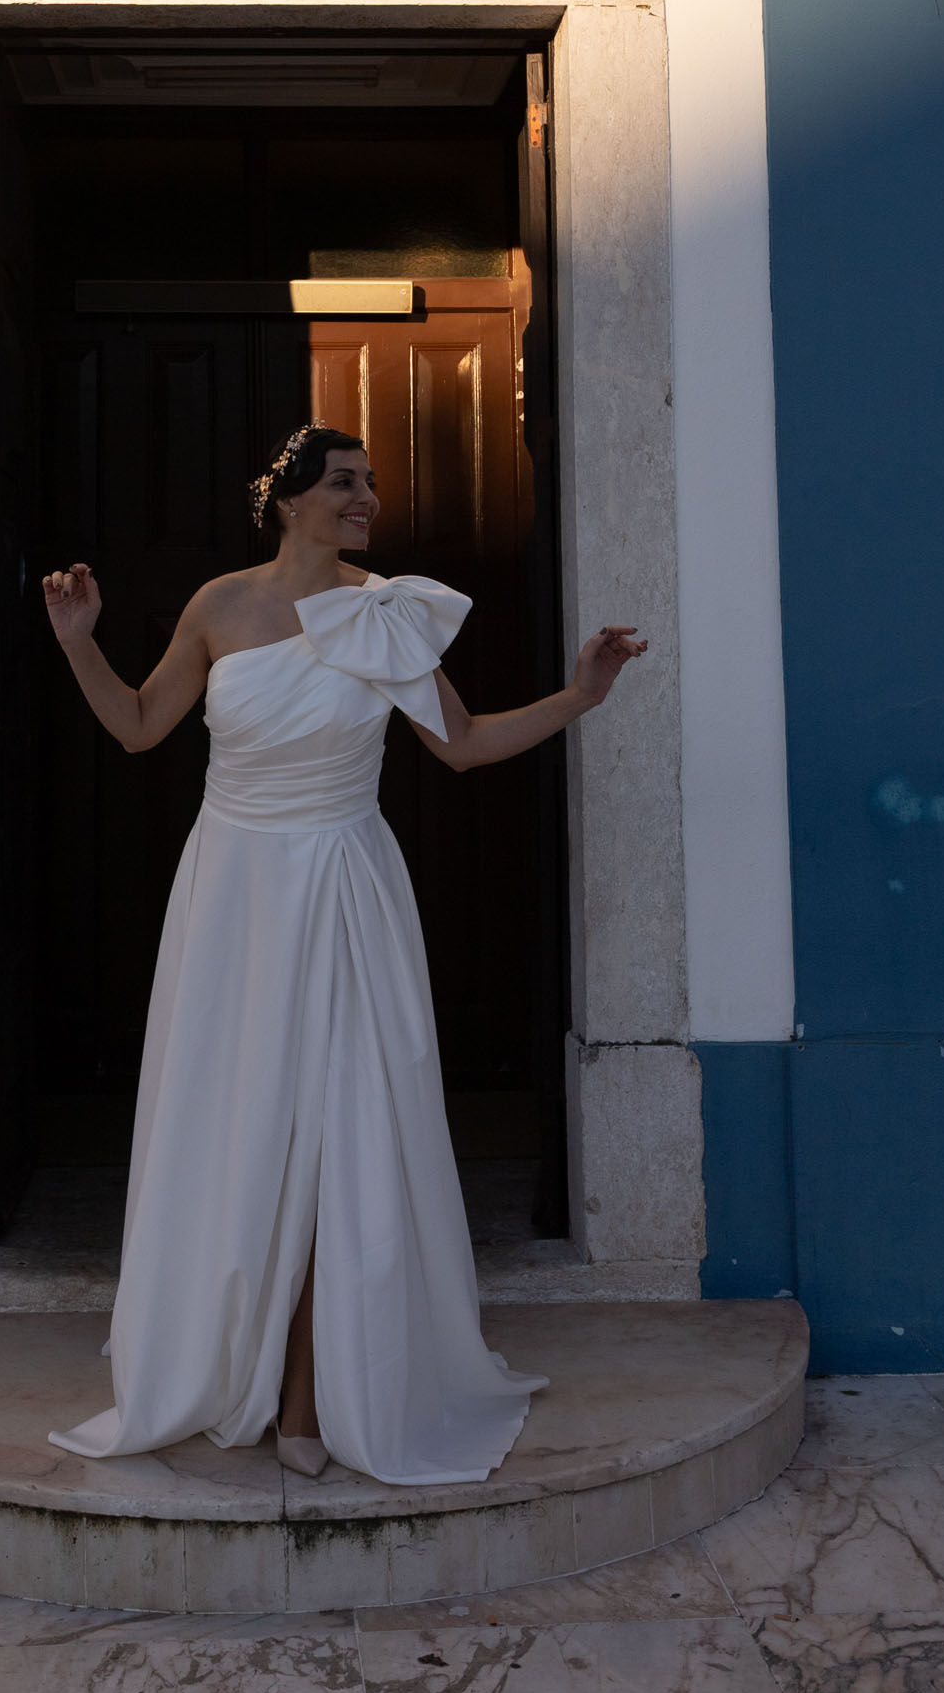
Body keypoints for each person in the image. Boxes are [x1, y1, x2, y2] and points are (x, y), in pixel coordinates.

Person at [39, 423, 646, 1486]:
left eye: (369, 483)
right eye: (342, 483)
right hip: (231, 893)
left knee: (338, 1132)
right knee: (236, 1123)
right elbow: (137, 726)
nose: (364, 498)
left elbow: (462, 744)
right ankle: (222, 1355)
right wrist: (77, 639)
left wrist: (581, 696)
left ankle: (309, 1392)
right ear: (288, 501)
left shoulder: (388, 610)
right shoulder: (219, 604)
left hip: (340, 886)